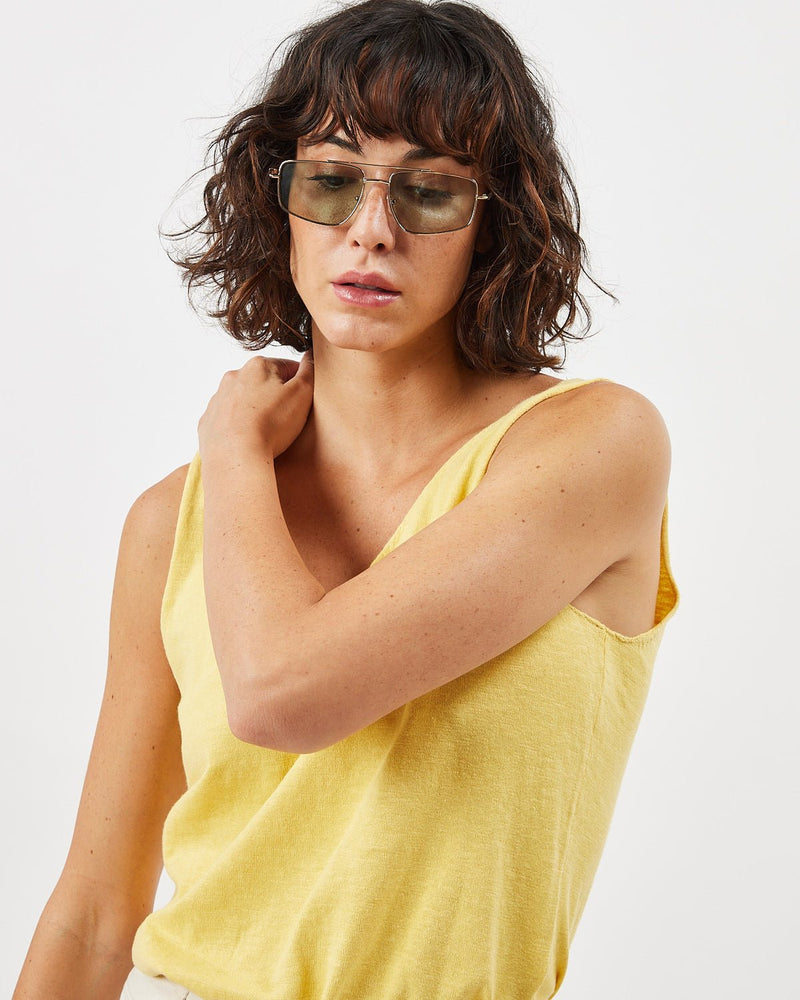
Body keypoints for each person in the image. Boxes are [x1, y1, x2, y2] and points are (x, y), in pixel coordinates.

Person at [13, 1, 679, 998]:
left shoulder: (591, 446)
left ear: (493, 223)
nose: (371, 231)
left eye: (430, 192)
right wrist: (232, 468)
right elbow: (95, 910)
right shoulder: (171, 524)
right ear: (278, 200)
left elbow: (285, 694)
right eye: (330, 181)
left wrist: (232, 448)